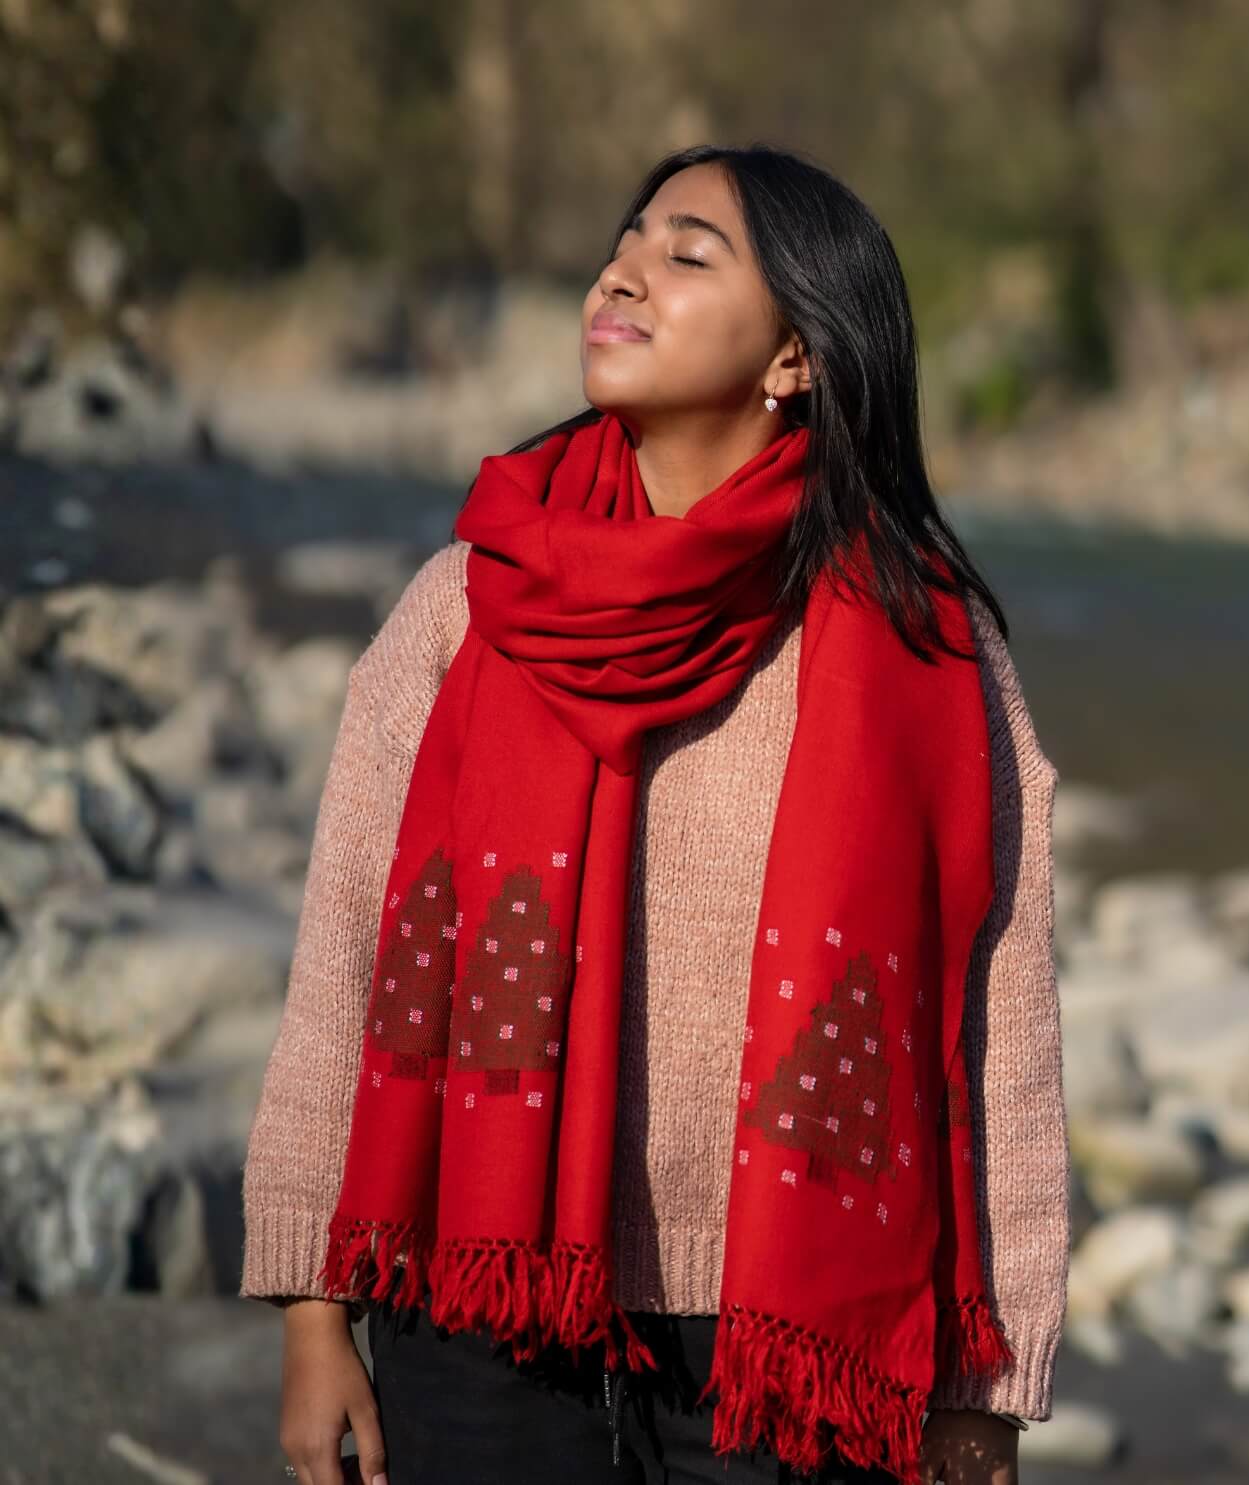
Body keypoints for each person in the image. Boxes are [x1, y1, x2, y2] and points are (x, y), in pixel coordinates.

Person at [239, 142, 1069, 1485]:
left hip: (790, 1340)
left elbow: (999, 1015)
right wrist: (310, 1302)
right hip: (479, 1300)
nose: (620, 275)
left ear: (794, 355)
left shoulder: (920, 644)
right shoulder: (470, 601)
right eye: (625, 243)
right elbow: (342, 953)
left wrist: (987, 1389)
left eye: (687, 255)